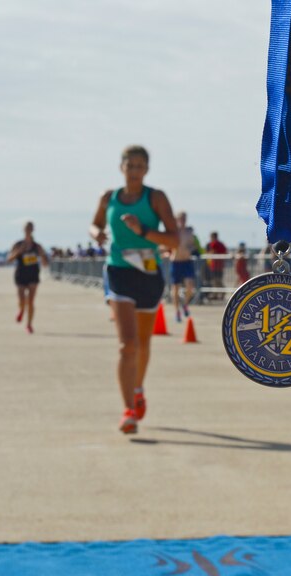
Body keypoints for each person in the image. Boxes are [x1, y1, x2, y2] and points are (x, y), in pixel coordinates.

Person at [88, 145, 179, 435]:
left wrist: (142, 231)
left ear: (147, 170)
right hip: (118, 272)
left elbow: (174, 240)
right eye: (130, 165)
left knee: (142, 343)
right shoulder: (109, 197)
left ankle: (138, 388)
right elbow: (95, 223)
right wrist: (96, 234)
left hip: (149, 273)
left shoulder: (156, 198)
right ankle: (128, 410)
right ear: (121, 167)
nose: (135, 170)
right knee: (127, 345)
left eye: (140, 166)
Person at [7, 221, 49, 334]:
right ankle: (21, 309)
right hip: (21, 274)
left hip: (33, 275)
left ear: (33, 230)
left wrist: (43, 256)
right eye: (27, 228)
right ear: (24, 230)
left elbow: (45, 263)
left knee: (31, 301)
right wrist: (19, 252)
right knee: (21, 300)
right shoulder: (17, 244)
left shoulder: (37, 246)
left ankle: (29, 324)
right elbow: (9, 259)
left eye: (30, 228)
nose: (28, 230)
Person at [168, 211, 198, 322]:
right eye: (181, 218)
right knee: (175, 289)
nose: (183, 220)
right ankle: (176, 311)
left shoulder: (189, 232)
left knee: (190, 286)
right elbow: (165, 245)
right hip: (175, 262)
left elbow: (193, 245)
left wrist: (190, 250)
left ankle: (185, 304)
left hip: (187, 262)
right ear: (176, 220)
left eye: (184, 218)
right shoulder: (173, 232)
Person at [206, 231, 227, 300]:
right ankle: (219, 293)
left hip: (215, 265)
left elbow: (212, 252)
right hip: (220, 265)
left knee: (215, 280)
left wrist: (208, 254)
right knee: (218, 280)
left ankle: (218, 293)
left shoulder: (214, 244)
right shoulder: (221, 244)